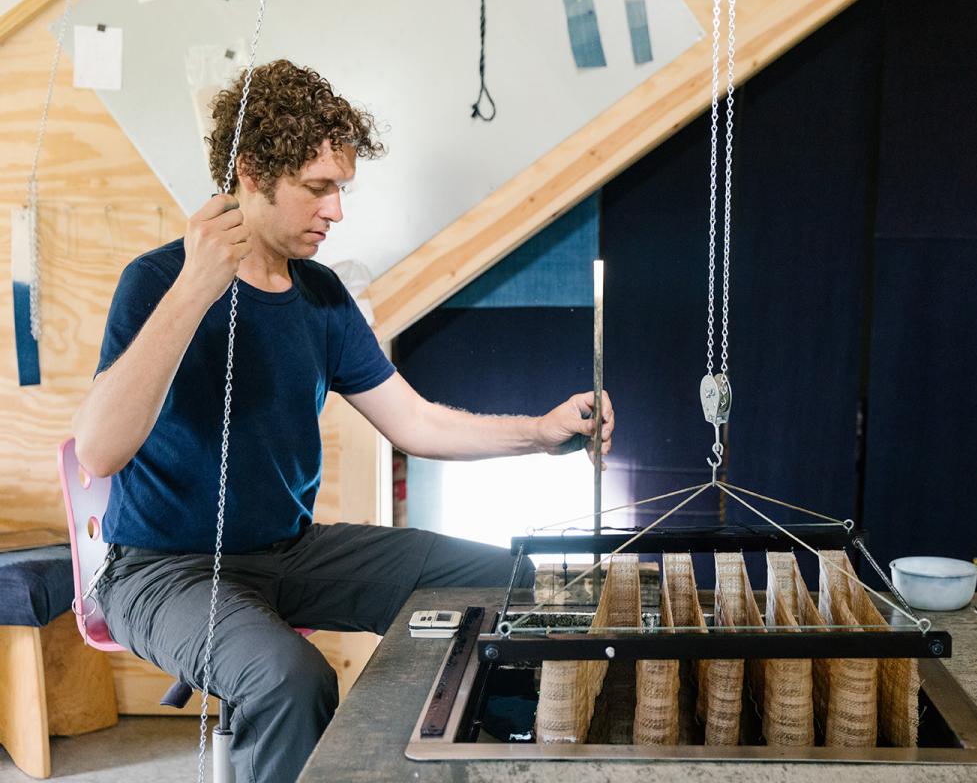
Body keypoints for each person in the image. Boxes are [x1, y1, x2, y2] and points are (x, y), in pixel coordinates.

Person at [71, 59, 614, 783]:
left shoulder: (322, 296)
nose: (336, 212)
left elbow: (416, 424)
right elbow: (101, 454)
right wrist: (194, 289)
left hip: (292, 554)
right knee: (291, 679)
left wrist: (540, 431)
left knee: (506, 584)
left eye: (341, 190)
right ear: (252, 172)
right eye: (319, 189)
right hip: (161, 570)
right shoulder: (155, 281)